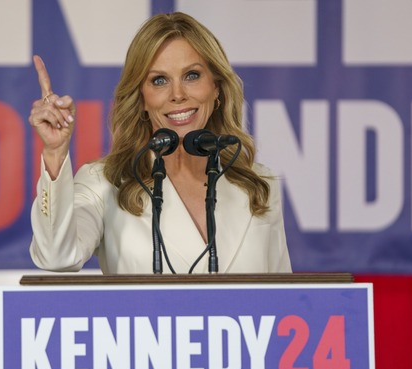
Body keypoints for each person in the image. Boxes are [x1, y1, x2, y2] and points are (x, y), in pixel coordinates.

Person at [28, 12, 291, 274]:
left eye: (192, 75)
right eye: (159, 80)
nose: (178, 95)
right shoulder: (104, 182)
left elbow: (285, 303)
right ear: (141, 98)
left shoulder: (259, 184)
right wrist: (55, 152)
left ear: (216, 87)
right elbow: (56, 257)